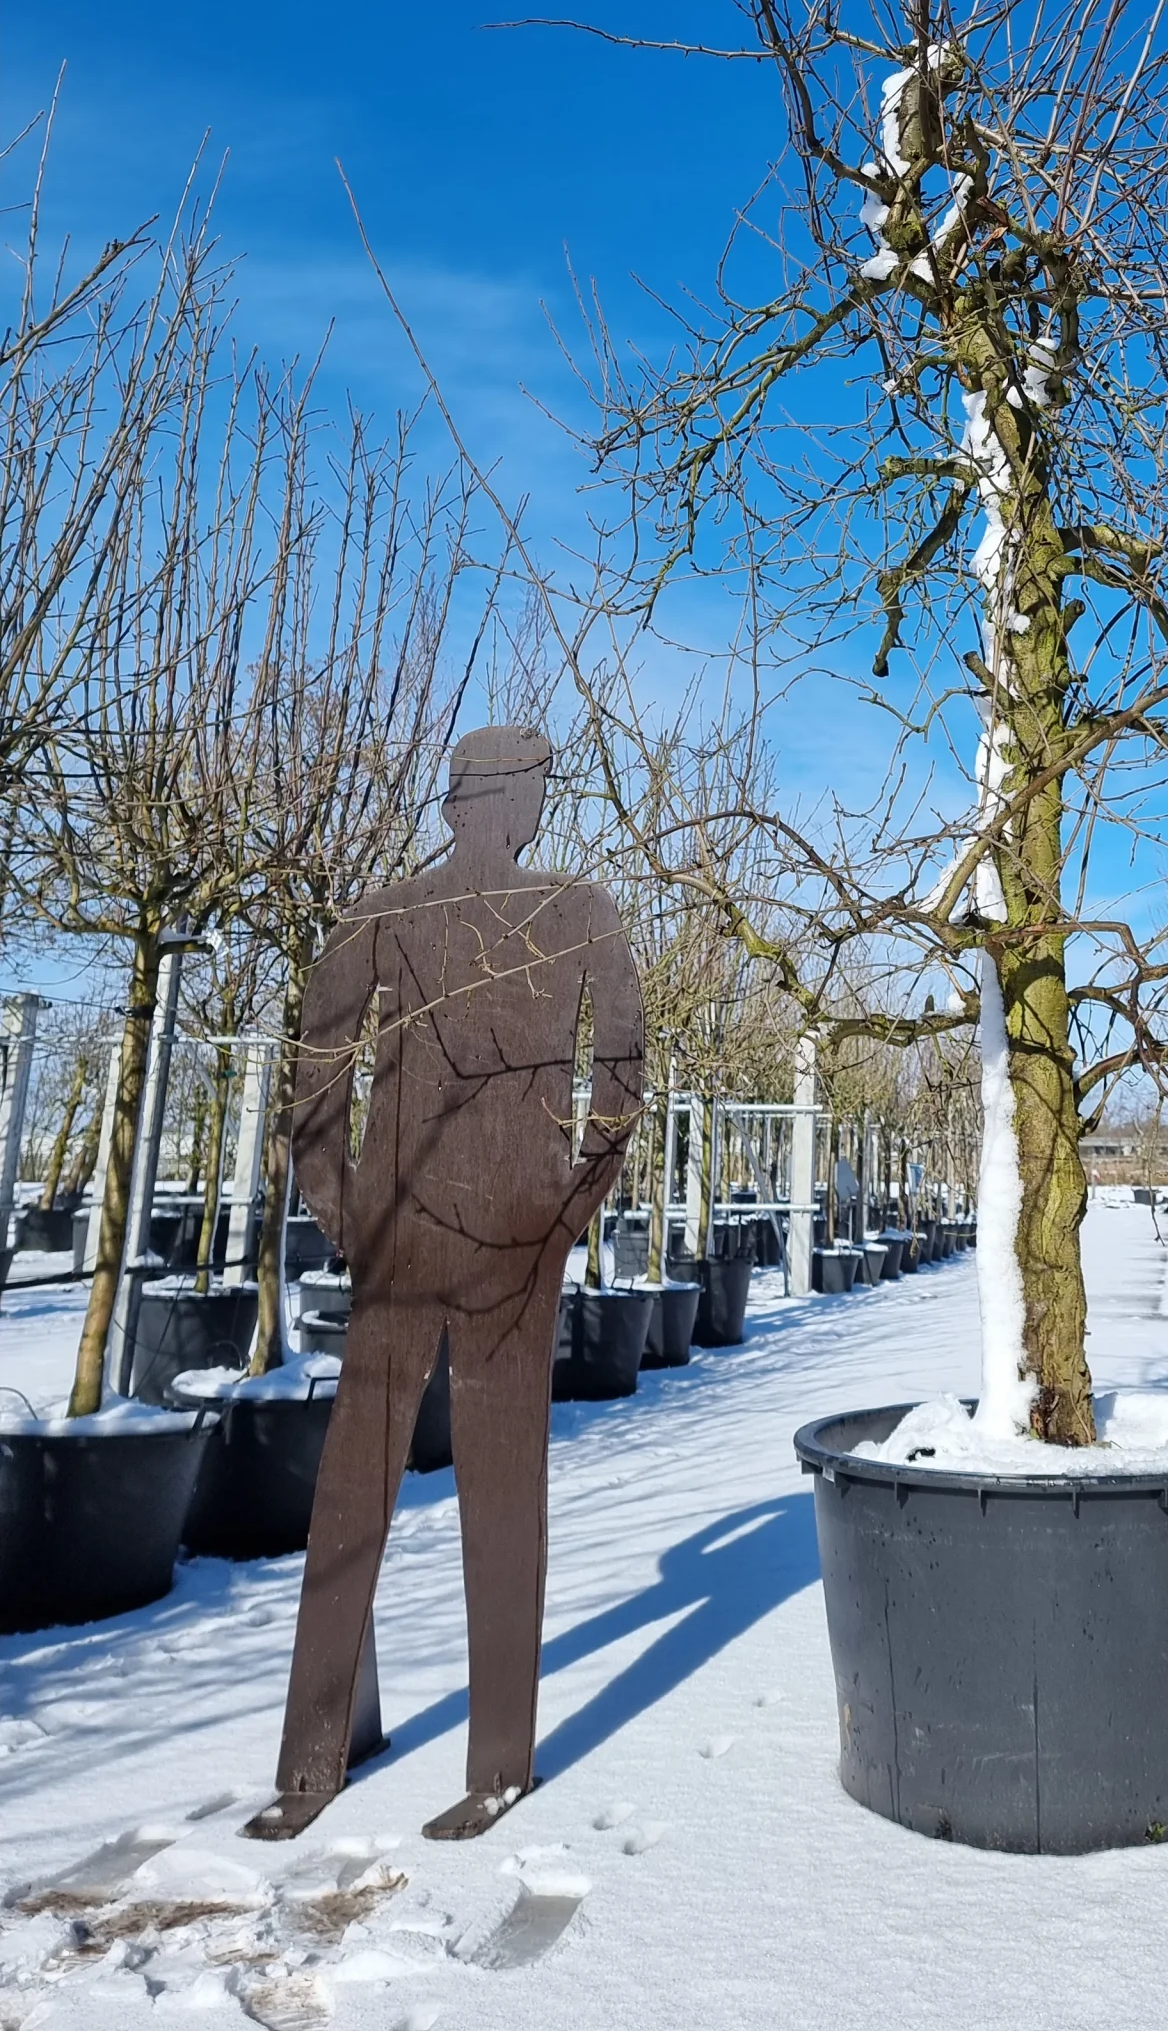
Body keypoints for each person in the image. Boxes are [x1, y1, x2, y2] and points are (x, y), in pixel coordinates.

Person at [245, 725, 645, 1841]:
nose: (534, 814)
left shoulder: (416, 915)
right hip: (473, 1242)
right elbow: (620, 1086)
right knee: (472, 1498)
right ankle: (449, 1764)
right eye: (531, 794)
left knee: (371, 1493)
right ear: (504, 805)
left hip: (444, 1241)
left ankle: (334, 1767)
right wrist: (560, 1214)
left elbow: (312, 1090)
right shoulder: (568, 911)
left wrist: (354, 1217)